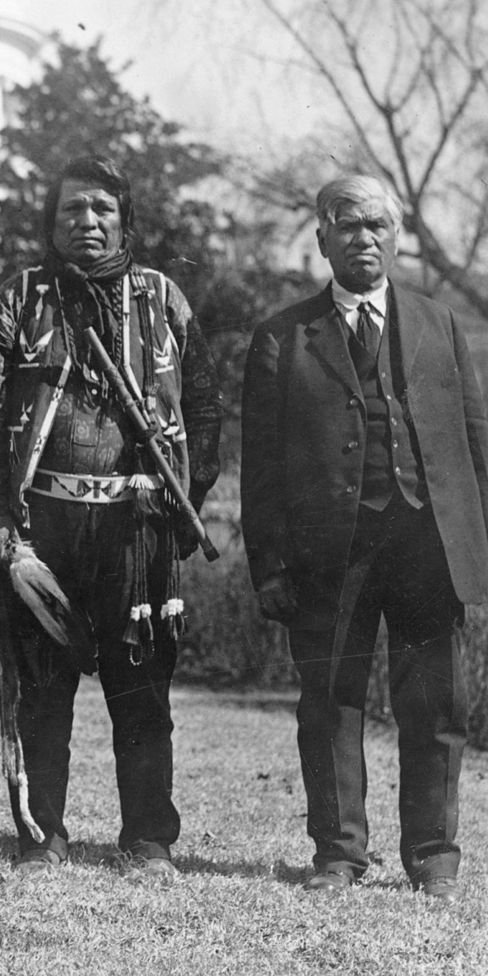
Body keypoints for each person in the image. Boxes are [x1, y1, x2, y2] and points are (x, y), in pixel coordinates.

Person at [0, 155, 222, 880]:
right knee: (42, 692)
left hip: (137, 528)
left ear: (124, 221)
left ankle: (147, 838)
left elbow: (205, 408)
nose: (87, 221)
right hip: (43, 527)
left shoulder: (162, 299)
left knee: (141, 691)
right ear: (52, 222)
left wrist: (183, 506)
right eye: (73, 209)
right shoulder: (22, 298)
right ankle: (42, 836)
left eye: (102, 209)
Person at [241, 175, 488, 902]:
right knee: (328, 703)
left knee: (436, 704)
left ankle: (434, 856)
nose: (364, 237)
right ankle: (339, 854)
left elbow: (476, 443)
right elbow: (261, 468)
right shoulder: (283, 336)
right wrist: (269, 566)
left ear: (397, 235)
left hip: (427, 546)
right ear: (322, 238)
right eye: (348, 224)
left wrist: (479, 549)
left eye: (377, 224)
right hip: (327, 554)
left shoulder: (440, 323)